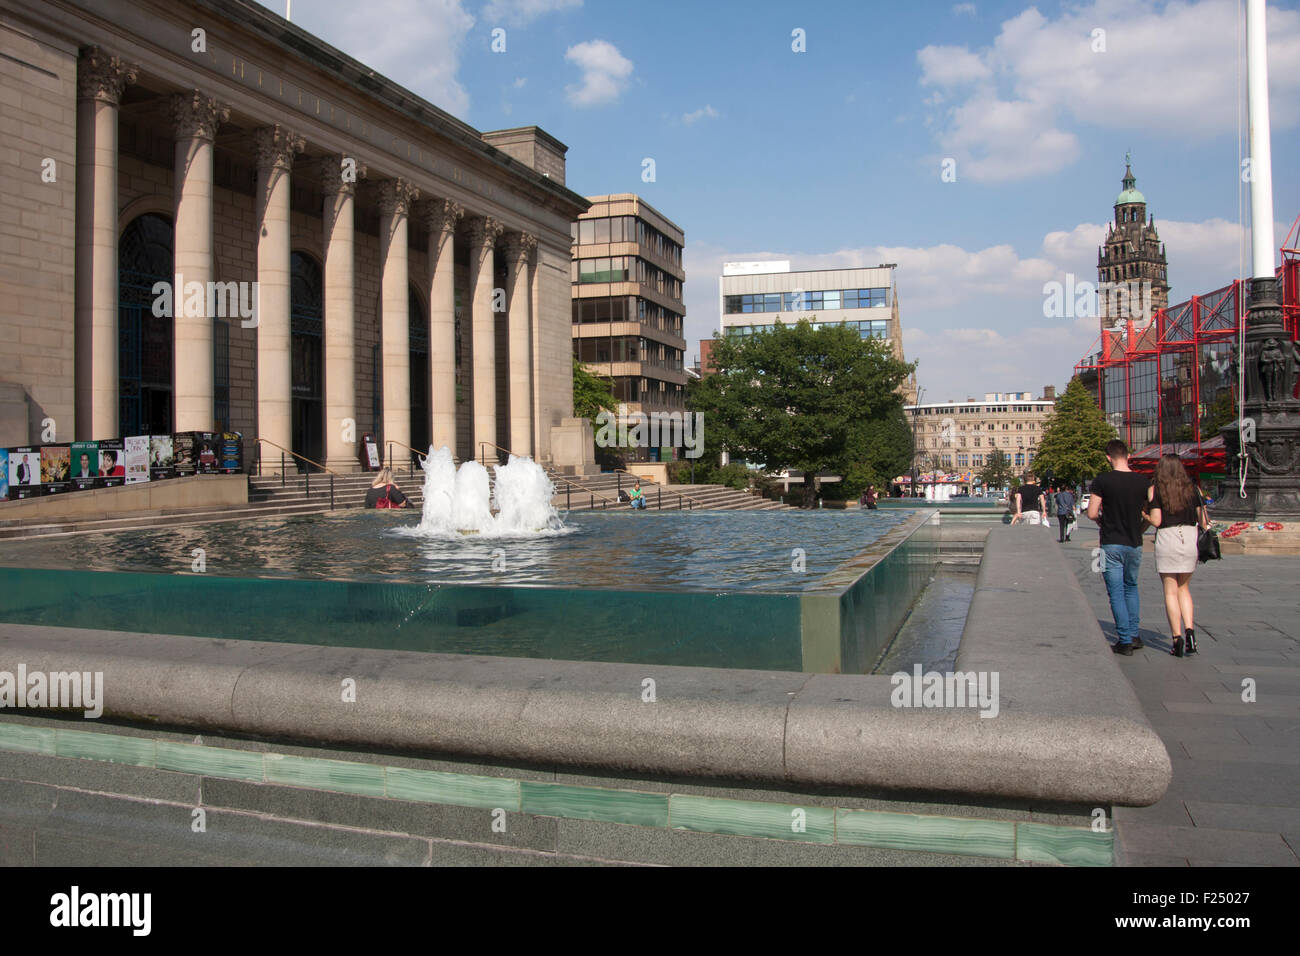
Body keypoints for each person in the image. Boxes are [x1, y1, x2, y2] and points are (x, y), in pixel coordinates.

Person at [1088, 439, 1153, 655]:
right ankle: (1134, 634)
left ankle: (1124, 640)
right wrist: (1141, 527)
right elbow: (1152, 515)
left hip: (1110, 543)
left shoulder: (1102, 481)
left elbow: (1091, 513)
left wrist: (1101, 520)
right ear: (1128, 456)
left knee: (1115, 592)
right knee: (1131, 587)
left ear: (1108, 457)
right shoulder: (1144, 482)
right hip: (1134, 543)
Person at [1147, 454, 1209, 657]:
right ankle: (1190, 632)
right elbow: (1203, 520)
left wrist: (1144, 514)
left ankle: (1177, 638)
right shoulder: (1193, 488)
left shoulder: (1156, 489)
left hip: (1167, 538)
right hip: (1189, 538)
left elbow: (1156, 521)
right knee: (1184, 588)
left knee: (1170, 591)